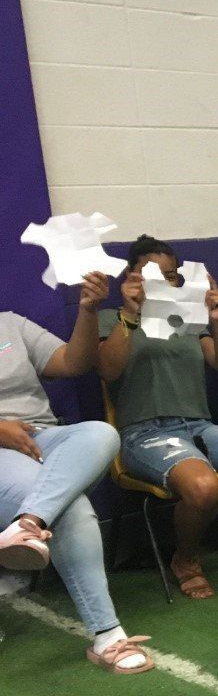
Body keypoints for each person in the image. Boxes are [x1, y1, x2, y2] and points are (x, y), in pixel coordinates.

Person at [98, 235, 218, 599]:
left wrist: (216, 319)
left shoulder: (187, 318)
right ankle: (185, 560)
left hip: (200, 427)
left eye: (171, 276)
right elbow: (107, 372)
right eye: (151, 275)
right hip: (144, 433)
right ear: (131, 277)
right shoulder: (111, 318)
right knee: (202, 488)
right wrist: (130, 314)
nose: (163, 283)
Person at [0, 274, 153, 673]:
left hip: (41, 436)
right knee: (73, 507)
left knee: (102, 433)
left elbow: (73, 362)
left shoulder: (10, 324)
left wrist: (87, 311)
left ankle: (28, 522)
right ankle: (108, 636)